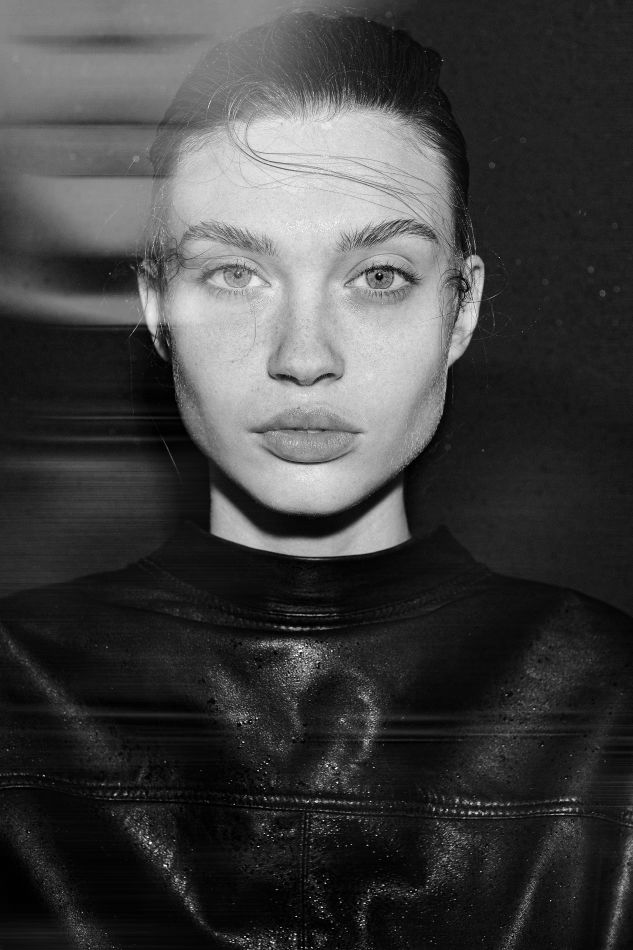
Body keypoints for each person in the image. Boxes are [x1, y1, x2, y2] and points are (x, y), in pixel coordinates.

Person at [1, 11, 632, 948]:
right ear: (156, 308)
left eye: (377, 276)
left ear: (459, 311)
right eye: (234, 273)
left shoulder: (611, 707)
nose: (303, 357)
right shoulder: (14, 695)